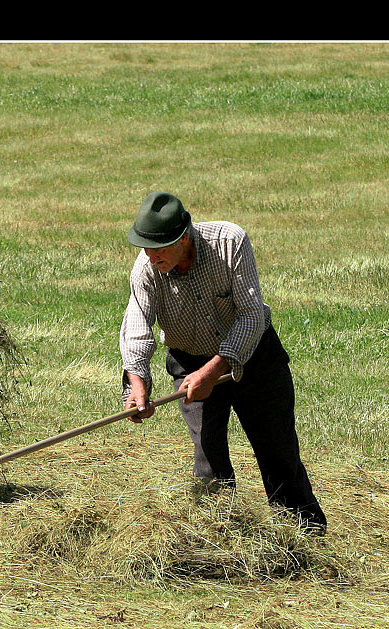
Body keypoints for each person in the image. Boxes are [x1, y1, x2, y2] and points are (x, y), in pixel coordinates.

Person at [118, 191, 327, 534]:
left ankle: (305, 537)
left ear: (183, 238)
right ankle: (219, 542)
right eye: (145, 248)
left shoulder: (230, 242)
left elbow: (250, 316)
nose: (151, 257)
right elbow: (138, 327)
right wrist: (137, 383)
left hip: (254, 359)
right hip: (189, 362)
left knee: (278, 454)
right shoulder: (146, 269)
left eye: (159, 249)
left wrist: (213, 370)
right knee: (209, 461)